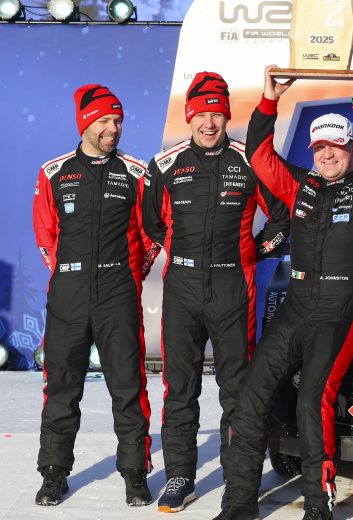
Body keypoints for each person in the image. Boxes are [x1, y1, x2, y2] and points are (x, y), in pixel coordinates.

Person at [215, 66, 353, 520]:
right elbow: (259, 155)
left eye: (336, 145)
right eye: (320, 147)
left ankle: (318, 504)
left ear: (351, 148)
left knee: (312, 399)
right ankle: (239, 502)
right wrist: (268, 100)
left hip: (341, 310)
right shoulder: (301, 186)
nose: (328, 154)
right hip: (296, 308)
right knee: (251, 395)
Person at [142, 71, 290, 513]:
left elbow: (282, 216)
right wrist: (181, 252)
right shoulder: (163, 165)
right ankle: (180, 476)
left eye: (217, 115)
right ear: (189, 117)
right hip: (182, 289)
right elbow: (151, 224)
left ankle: (238, 481)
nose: (209, 123)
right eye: (201, 115)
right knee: (179, 388)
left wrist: (255, 251)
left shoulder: (250, 160)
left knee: (237, 390)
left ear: (227, 117)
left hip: (232, 288)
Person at [32, 84, 160, 507]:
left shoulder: (136, 172)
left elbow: (151, 236)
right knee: (61, 386)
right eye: (104, 120)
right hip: (68, 296)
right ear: (85, 123)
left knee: (128, 387)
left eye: (118, 121)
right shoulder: (53, 172)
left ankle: (135, 475)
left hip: (117, 294)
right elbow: (46, 235)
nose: (112, 128)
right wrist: (68, 275)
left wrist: (130, 276)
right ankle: (53, 474)